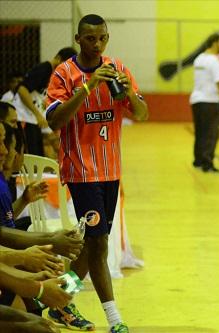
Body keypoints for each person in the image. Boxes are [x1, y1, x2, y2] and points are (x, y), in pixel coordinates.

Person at [45, 14, 148, 333]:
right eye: (90, 38)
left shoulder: (118, 69)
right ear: (79, 39)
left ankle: (58, 301)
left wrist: (128, 93)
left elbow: (142, 114)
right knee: (100, 245)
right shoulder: (64, 73)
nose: (98, 44)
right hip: (81, 172)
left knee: (91, 247)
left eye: (102, 38)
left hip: (110, 171)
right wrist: (88, 86)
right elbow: (55, 121)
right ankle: (115, 321)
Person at [15, 47, 77, 157]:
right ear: (58, 58)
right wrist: (37, 114)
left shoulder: (51, 73)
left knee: (38, 153)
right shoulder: (44, 69)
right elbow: (22, 90)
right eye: (65, 65)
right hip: (24, 117)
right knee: (31, 155)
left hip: (32, 119)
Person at [190, 33, 219, 173]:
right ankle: (208, 163)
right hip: (210, 101)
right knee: (211, 133)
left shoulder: (199, 59)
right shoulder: (214, 61)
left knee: (200, 131)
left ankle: (198, 160)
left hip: (196, 99)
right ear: (214, 43)